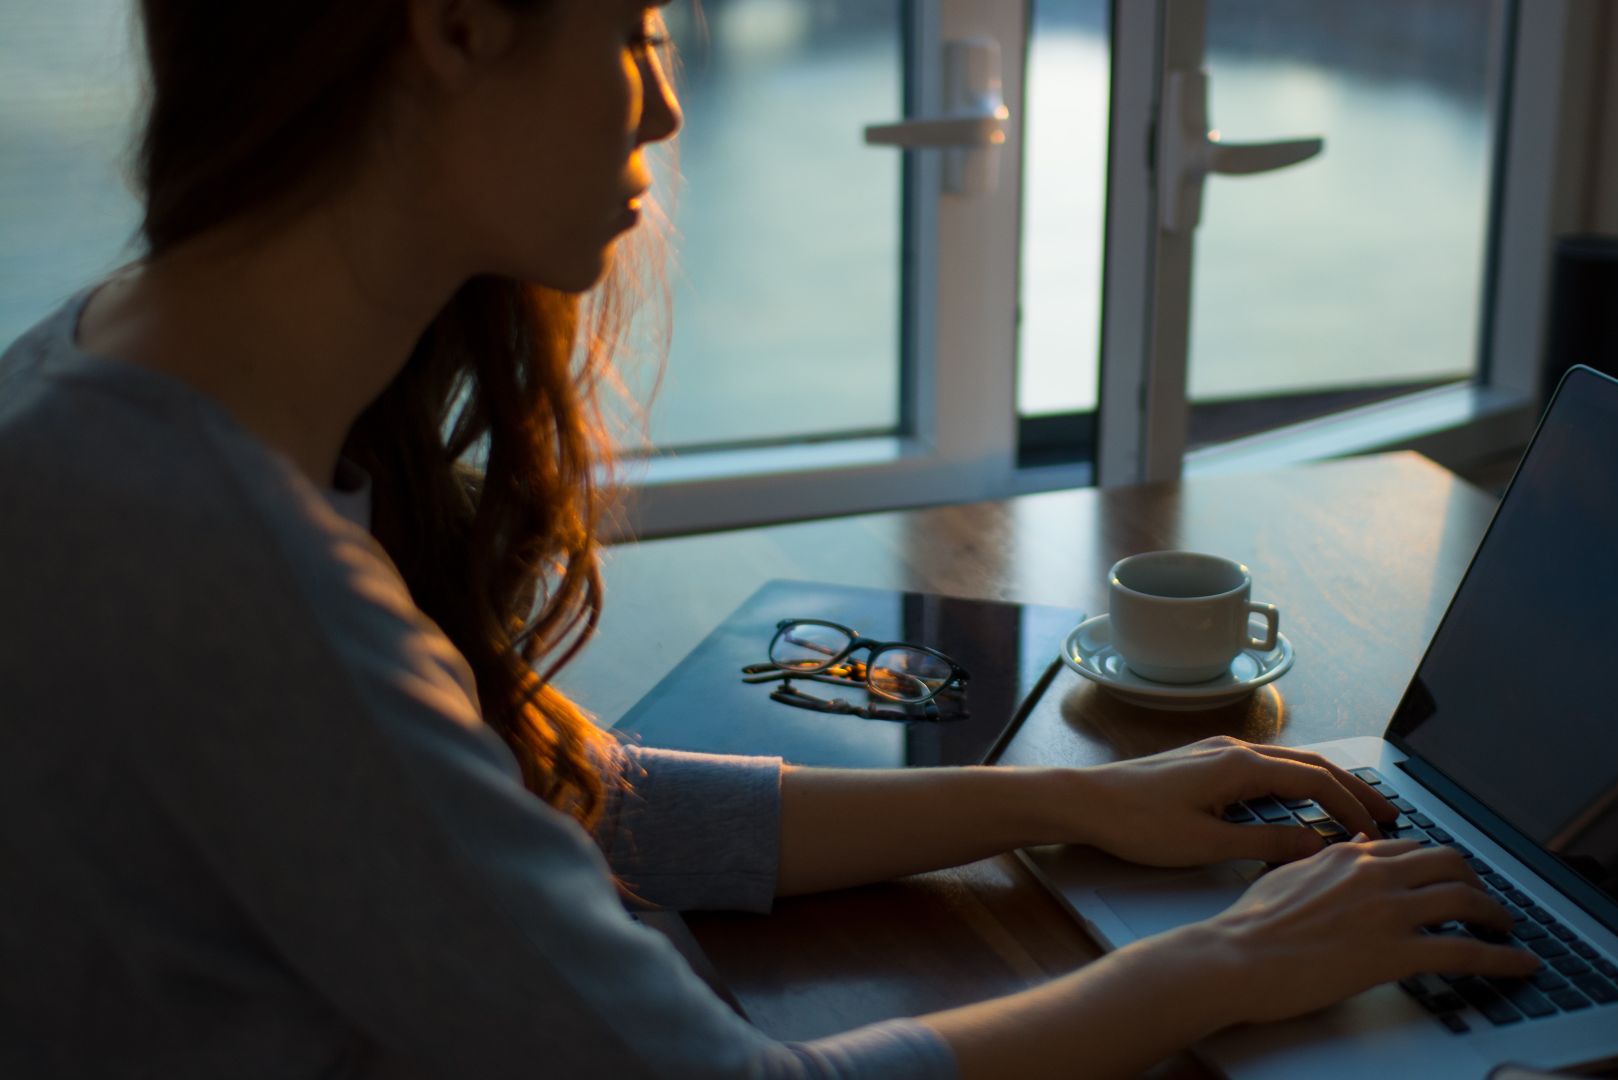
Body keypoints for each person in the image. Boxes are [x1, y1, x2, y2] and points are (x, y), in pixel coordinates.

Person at [0, 1, 1536, 1076]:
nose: (664, 102)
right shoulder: (234, 574)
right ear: (456, 23)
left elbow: (560, 803)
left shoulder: (100, 380)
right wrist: (1222, 967)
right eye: (638, 30)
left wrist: (1080, 799)